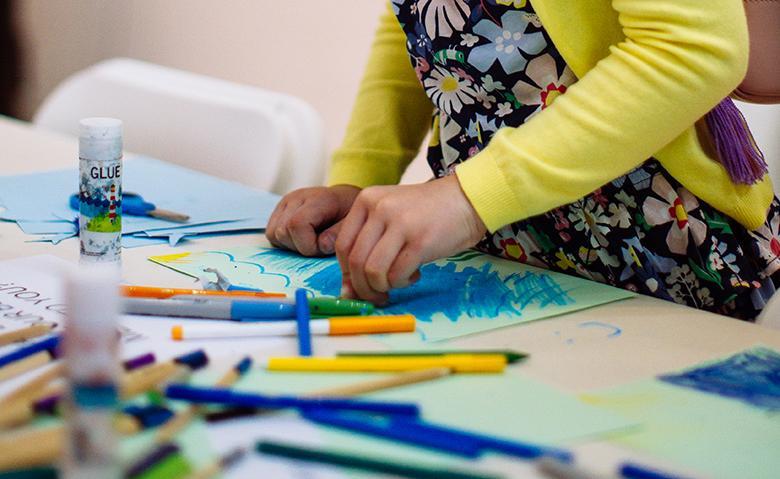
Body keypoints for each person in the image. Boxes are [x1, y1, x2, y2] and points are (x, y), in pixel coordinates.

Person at [267, 0, 780, 321]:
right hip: (513, 262)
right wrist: (360, 178)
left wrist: (467, 200)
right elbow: (421, 29)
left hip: (673, 261)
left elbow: (694, 48)